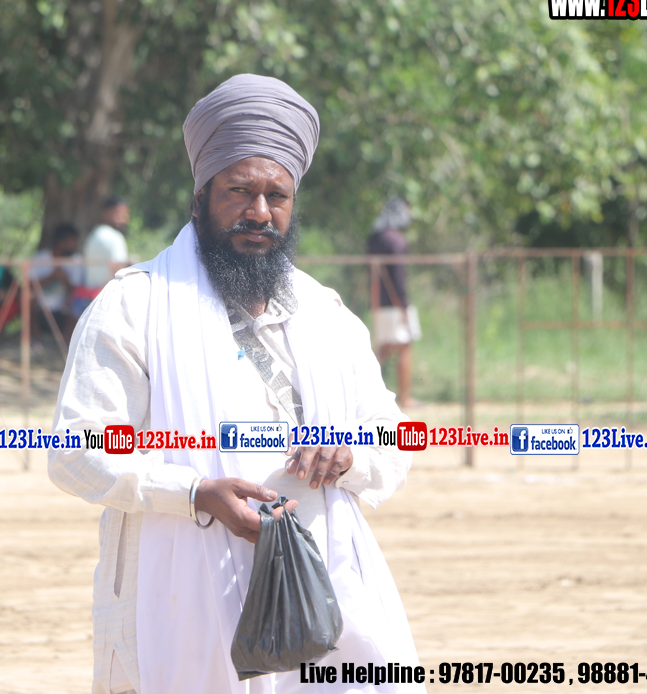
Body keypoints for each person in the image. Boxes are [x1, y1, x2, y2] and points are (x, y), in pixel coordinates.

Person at [48, 74, 423, 694]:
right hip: (176, 610)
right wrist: (195, 493)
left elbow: (394, 437)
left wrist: (350, 455)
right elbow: (75, 453)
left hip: (320, 606)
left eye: (277, 195)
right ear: (200, 197)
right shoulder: (135, 307)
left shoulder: (327, 315)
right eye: (240, 191)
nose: (260, 212)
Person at [367, 197, 416, 408]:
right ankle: (405, 397)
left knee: (384, 349)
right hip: (395, 303)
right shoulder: (396, 240)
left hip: (378, 301)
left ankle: (362, 392)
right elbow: (398, 277)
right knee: (405, 347)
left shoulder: (375, 239)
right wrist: (403, 305)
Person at [75, 196, 130, 316]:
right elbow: (119, 269)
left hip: (88, 299)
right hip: (107, 300)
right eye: (119, 214)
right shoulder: (115, 237)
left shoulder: (94, 235)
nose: (124, 219)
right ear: (106, 213)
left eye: (125, 214)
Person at [30, 223, 83, 338]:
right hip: (41, 309)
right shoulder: (40, 258)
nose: (75, 246)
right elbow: (29, 286)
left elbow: (76, 289)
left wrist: (65, 281)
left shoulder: (76, 260)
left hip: (64, 310)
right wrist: (51, 277)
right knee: (28, 297)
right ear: (60, 242)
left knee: (78, 300)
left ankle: (65, 343)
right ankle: (35, 339)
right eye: (72, 242)